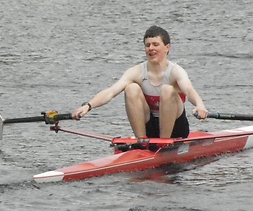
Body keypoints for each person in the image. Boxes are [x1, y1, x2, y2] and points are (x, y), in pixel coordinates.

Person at [72, 25, 208, 140]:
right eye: (147, 45)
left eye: (156, 44)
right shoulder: (136, 71)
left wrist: (200, 106)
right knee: (131, 88)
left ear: (167, 48)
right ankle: (141, 142)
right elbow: (110, 92)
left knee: (167, 90)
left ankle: (164, 142)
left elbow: (189, 90)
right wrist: (88, 106)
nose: (151, 48)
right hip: (150, 125)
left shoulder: (176, 71)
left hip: (175, 128)